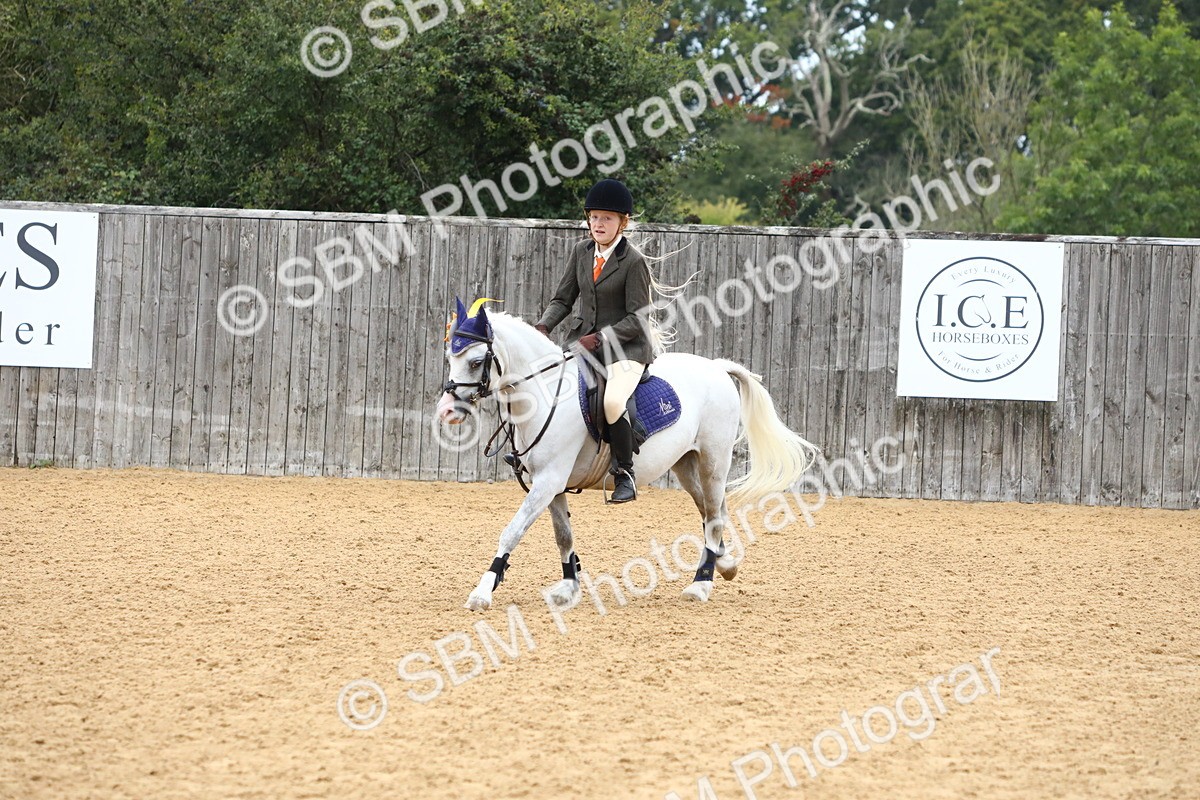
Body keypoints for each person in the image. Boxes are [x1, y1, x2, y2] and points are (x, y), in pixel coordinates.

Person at [535, 178, 653, 503]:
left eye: (607, 218)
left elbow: (638, 319)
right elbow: (563, 299)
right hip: (582, 342)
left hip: (626, 349)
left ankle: (624, 473)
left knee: (613, 401)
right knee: (549, 387)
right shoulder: (581, 251)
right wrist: (543, 326)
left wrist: (600, 339)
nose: (598, 224)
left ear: (622, 222)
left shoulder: (633, 262)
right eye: (594, 217)